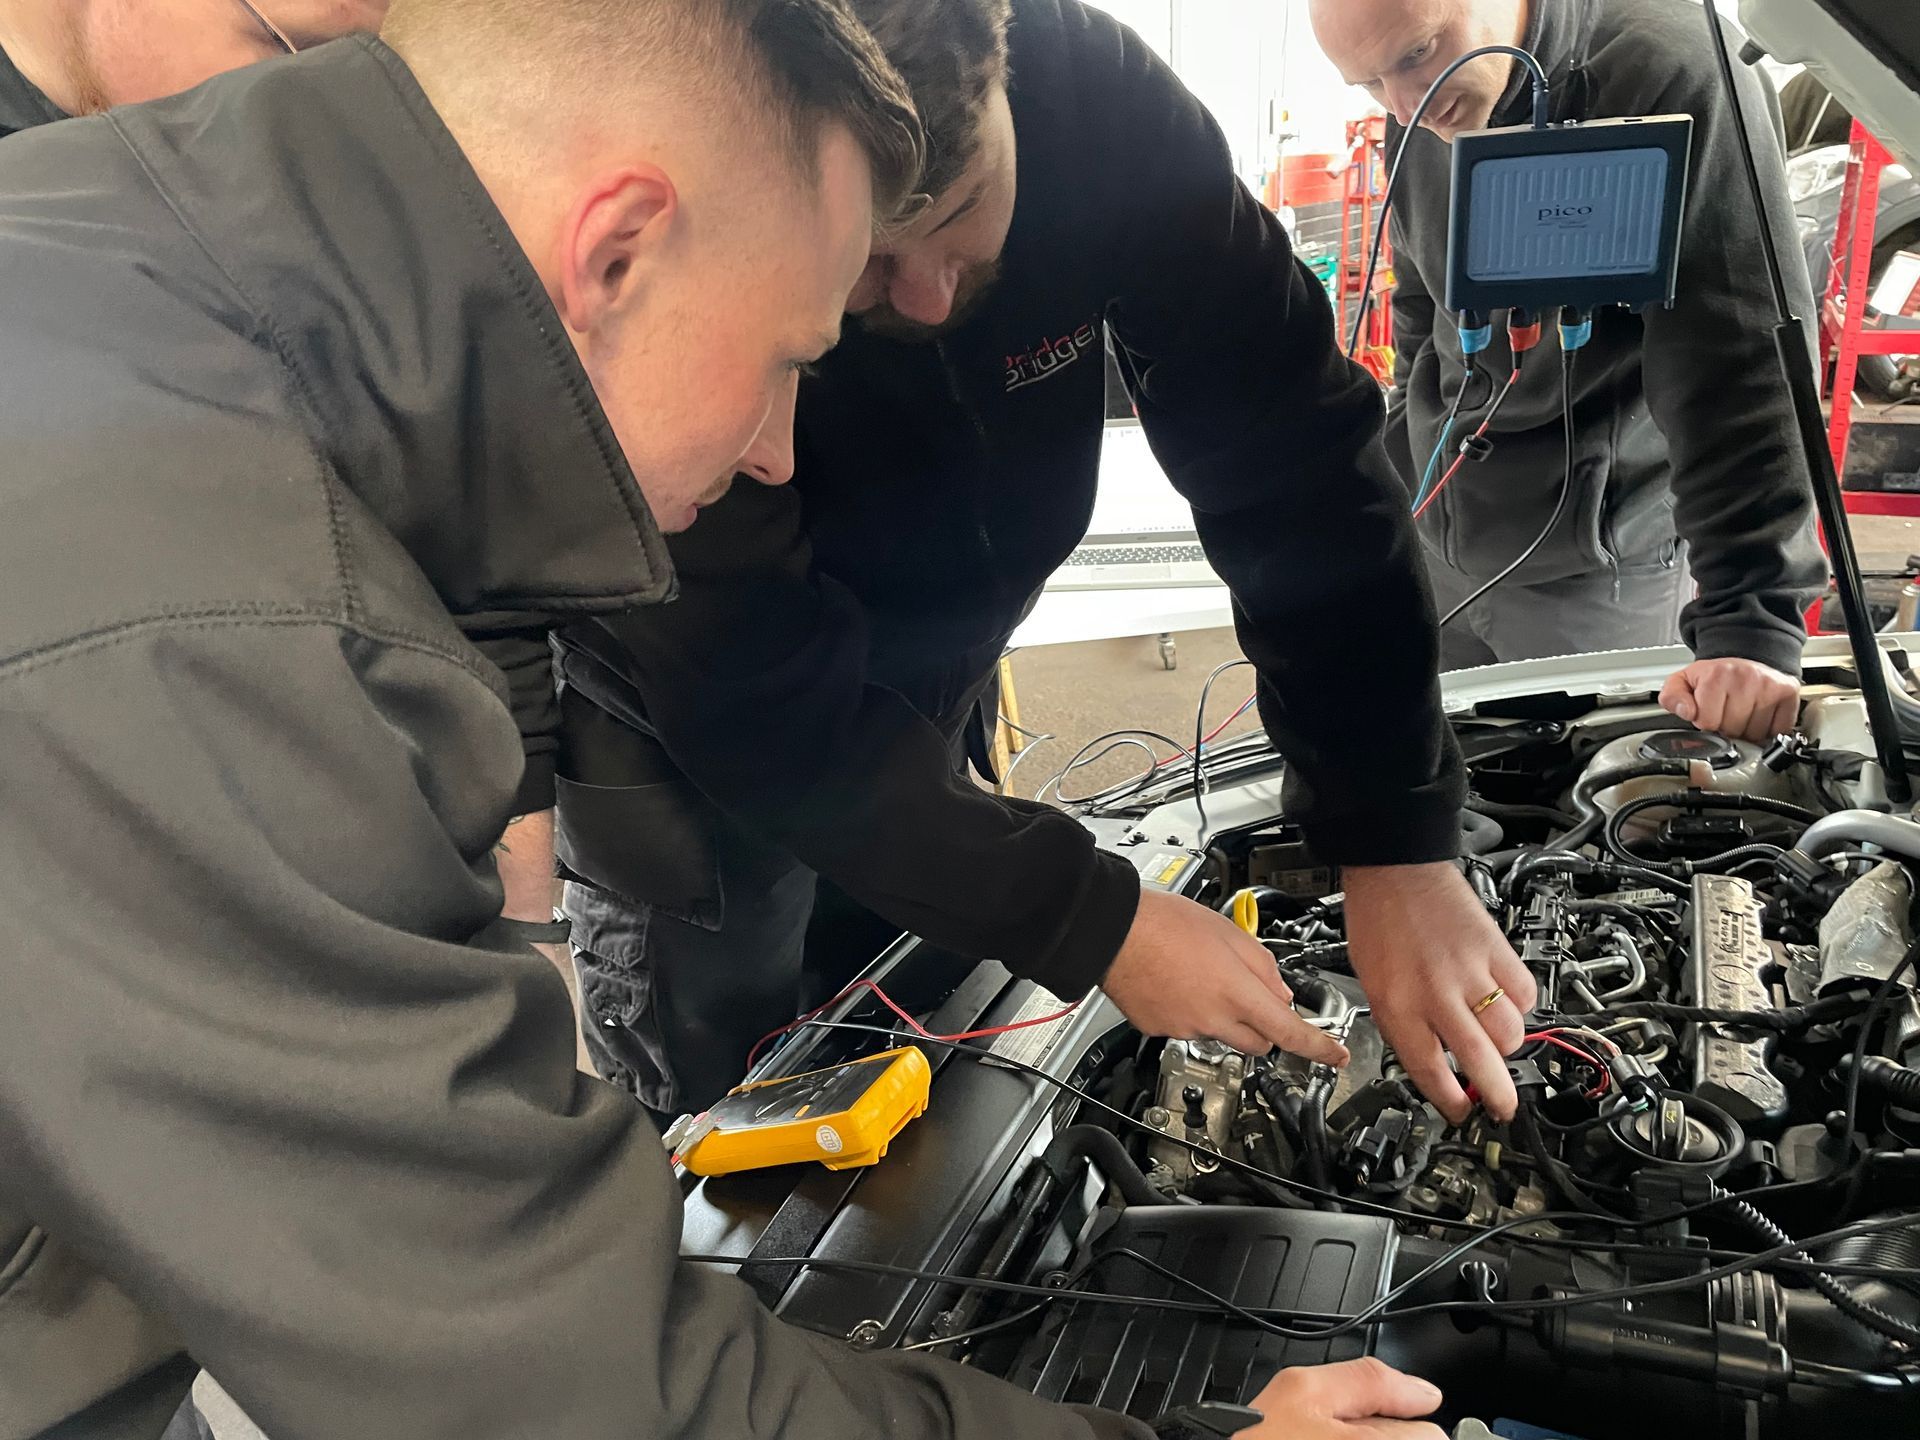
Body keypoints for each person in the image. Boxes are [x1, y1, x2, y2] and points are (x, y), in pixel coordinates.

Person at [543, 0, 1536, 1138]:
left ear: (1012, 66)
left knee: (927, 1063)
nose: (924, 296)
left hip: (925, 704)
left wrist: (1394, 833)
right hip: (693, 747)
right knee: (737, 1131)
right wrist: (1094, 917)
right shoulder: (690, 198)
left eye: (962, 211)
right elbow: (756, 689)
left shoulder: (1102, 108)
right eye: (865, 264)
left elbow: (1291, 454)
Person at [1308, 0, 1827, 745]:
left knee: (1591, 821)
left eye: (1419, 53)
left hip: (1590, 573)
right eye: (1368, 83)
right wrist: (1405, 457)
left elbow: (1739, 357)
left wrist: (1752, 618)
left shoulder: (1667, 67)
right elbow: (1424, 303)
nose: (1402, 106)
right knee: (1450, 795)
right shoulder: (1419, 103)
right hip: (1443, 546)